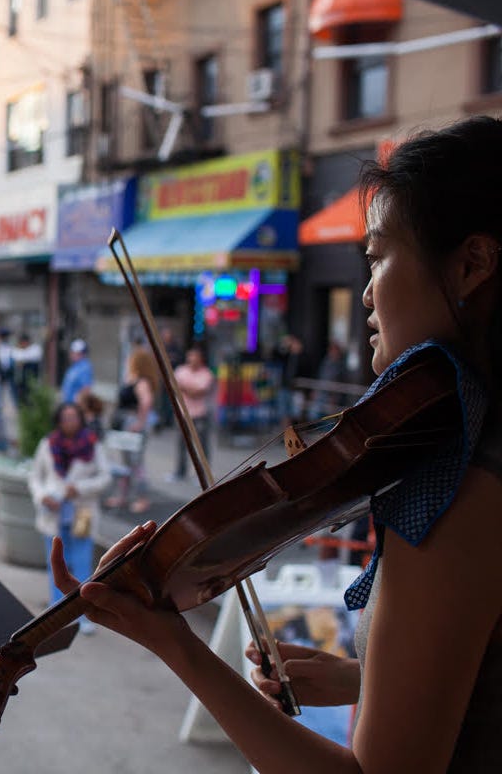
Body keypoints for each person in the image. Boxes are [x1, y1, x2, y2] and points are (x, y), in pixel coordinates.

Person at [51, 116, 502, 772]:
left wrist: (178, 645)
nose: (367, 293)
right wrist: (361, 679)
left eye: (379, 255)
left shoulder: (456, 481)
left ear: (471, 264)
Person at [28, 401, 111, 635]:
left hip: (81, 513)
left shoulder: (92, 445)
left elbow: (105, 477)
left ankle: (84, 614)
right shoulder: (48, 444)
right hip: (53, 514)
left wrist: (80, 488)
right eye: (65, 417)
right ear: (58, 420)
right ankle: (58, 613)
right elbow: (35, 477)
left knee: (82, 563)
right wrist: (42, 496)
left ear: (81, 419)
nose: (69, 422)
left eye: (73, 417)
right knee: (56, 563)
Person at [105, 346, 160, 513]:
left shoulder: (141, 381)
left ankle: (141, 498)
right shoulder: (133, 378)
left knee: (135, 463)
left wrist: (139, 423)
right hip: (126, 423)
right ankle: (123, 496)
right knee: (125, 463)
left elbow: (146, 402)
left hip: (132, 423)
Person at [170, 343, 215, 481]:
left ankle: (203, 474)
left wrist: (184, 386)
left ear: (200, 359)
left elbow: (198, 392)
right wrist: (187, 388)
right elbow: (174, 388)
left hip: (199, 414)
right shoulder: (180, 370)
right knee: (182, 445)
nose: (191, 358)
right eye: (190, 355)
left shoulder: (207, 374)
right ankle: (180, 472)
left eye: (194, 356)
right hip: (183, 414)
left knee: (202, 446)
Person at [60, 338, 94, 404]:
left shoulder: (85, 367)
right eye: (71, 352)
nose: (71, 354)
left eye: (74, 352)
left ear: (82, 354)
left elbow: (86, 389)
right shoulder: (74, 366)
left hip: (75, 406)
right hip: (68, 404)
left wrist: (78, 406)